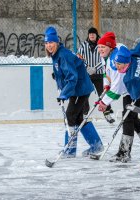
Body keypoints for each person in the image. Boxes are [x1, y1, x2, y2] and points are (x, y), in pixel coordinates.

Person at [44, 26, 104, 158]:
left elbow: (73, 77)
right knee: (78, 118)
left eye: (51, 43)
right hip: (79, 87)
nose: (49, 45)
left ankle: (70, 150)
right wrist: (58, 76)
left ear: (57, 42)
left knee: (70, 116)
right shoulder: (57, 54)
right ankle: (96, 145)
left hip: (79, 88)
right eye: (47, 43)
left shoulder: (63, 55)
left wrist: (64, 94)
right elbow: (66, 72)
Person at [96, 34, 140, 163]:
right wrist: (106, 84)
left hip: (134, 88)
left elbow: (118, 88)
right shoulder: (109, 55)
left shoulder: (117, 58)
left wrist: (104, 102)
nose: (100, 49)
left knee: (127, 117)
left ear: (110, 47)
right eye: (99, 46)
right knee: (132, 118)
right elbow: (107, 72)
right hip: (132, 87)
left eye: (103, 46)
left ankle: (124, 152)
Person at [77, 27, 115, 124]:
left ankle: (107, 114)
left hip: (99, 74)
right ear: (88, 35)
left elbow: (105, 57)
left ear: (96, 35)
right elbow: (79, 57)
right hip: (87, 75)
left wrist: (95, 68)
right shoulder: (83, 45)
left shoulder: (101, 44)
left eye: (93, 34)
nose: (92, 35)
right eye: (90, 34)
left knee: (102, 93)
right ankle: (84, 113)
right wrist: (87, 68)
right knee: (84, 95)